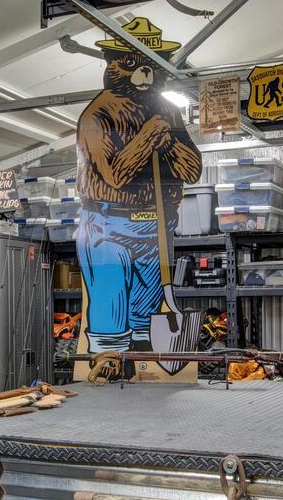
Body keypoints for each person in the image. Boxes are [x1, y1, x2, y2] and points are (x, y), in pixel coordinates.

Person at [75, 18, 201, 354]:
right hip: (107, 224)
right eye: (130, 64)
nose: (142, 73)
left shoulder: (167, 111)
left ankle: (143, 374)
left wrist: (168, 143)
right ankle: (107, 369)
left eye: (148, 65)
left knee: (145, 314)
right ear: (112, 65)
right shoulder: (97, 115)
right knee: (110, 305)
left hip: (157, 223)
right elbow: (115, 175)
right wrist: (148, 137)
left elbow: (192, 170)